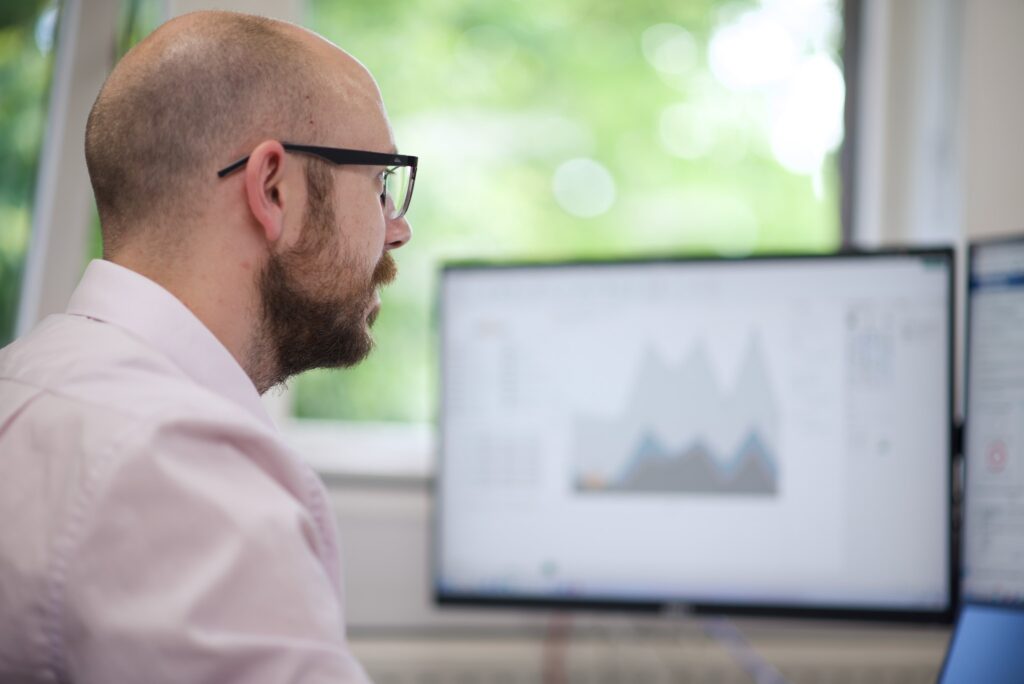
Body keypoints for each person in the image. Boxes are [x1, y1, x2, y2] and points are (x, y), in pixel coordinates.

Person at [0, 10, 413, 683]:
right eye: (380, 183)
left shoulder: (26, 381)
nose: (397, 230)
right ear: (272, 188)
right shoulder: (178, 470)